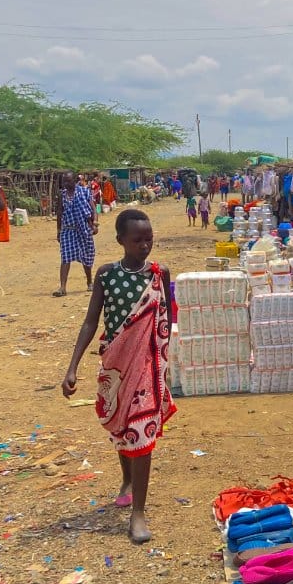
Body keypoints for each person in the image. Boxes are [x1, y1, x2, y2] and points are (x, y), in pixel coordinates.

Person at [62, 209, 174, 544]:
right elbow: (90, 321)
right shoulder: (106, 275)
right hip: (116, 364)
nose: (144, 245)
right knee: (121, 427)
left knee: (142, 433)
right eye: (137, 240)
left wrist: (167, 365)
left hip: (148, 367)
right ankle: (126, 479)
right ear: (121, 241)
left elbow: (166, 319)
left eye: (149, 239)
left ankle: (138, 512)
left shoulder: (160, 273)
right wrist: (72, 367)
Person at [55, 171, 97, 296]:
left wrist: (94, 223)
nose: (66, 184)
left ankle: (89, 281)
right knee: (65, 257)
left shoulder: (84, 192)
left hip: (83, 229)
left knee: (86, 256)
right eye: (64, 181)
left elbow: (93, 209)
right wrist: (58, 230)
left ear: (75, 180)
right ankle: (62, 288)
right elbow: (59, 213)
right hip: (68, 229)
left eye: (68, 181)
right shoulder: (62, 195)